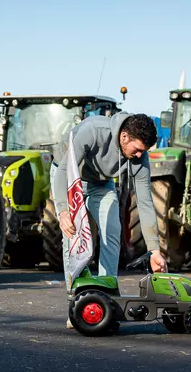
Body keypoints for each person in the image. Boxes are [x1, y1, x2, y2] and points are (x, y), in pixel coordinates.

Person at [51, 113, 167, 328]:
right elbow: (65, 170)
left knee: (112, 230)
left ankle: (107, 299)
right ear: (124, 137)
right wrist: (63, 211)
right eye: (138, 149)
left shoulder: (139, 157)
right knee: (74, 236)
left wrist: (155, 251)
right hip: (68, 176)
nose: (140, 155)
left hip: (100, 184)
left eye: (144, 151)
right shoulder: (93, 131)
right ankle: (75, 303)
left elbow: (145, 203)